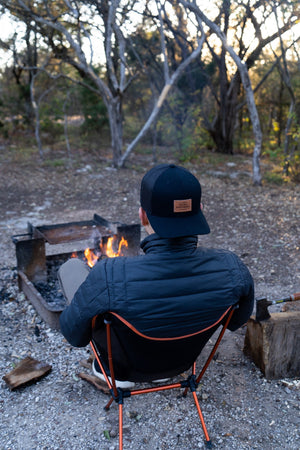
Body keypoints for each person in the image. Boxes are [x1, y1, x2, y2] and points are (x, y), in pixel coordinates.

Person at [59, 163, 254, 387]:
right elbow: (235, 321)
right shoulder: (233, 269)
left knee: (71, 268)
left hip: (126, 366)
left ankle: (112, 370)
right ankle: (160, 370)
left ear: (142, 216)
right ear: (200, 209)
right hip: (181, 362)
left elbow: (74, 335)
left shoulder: (109, 275)